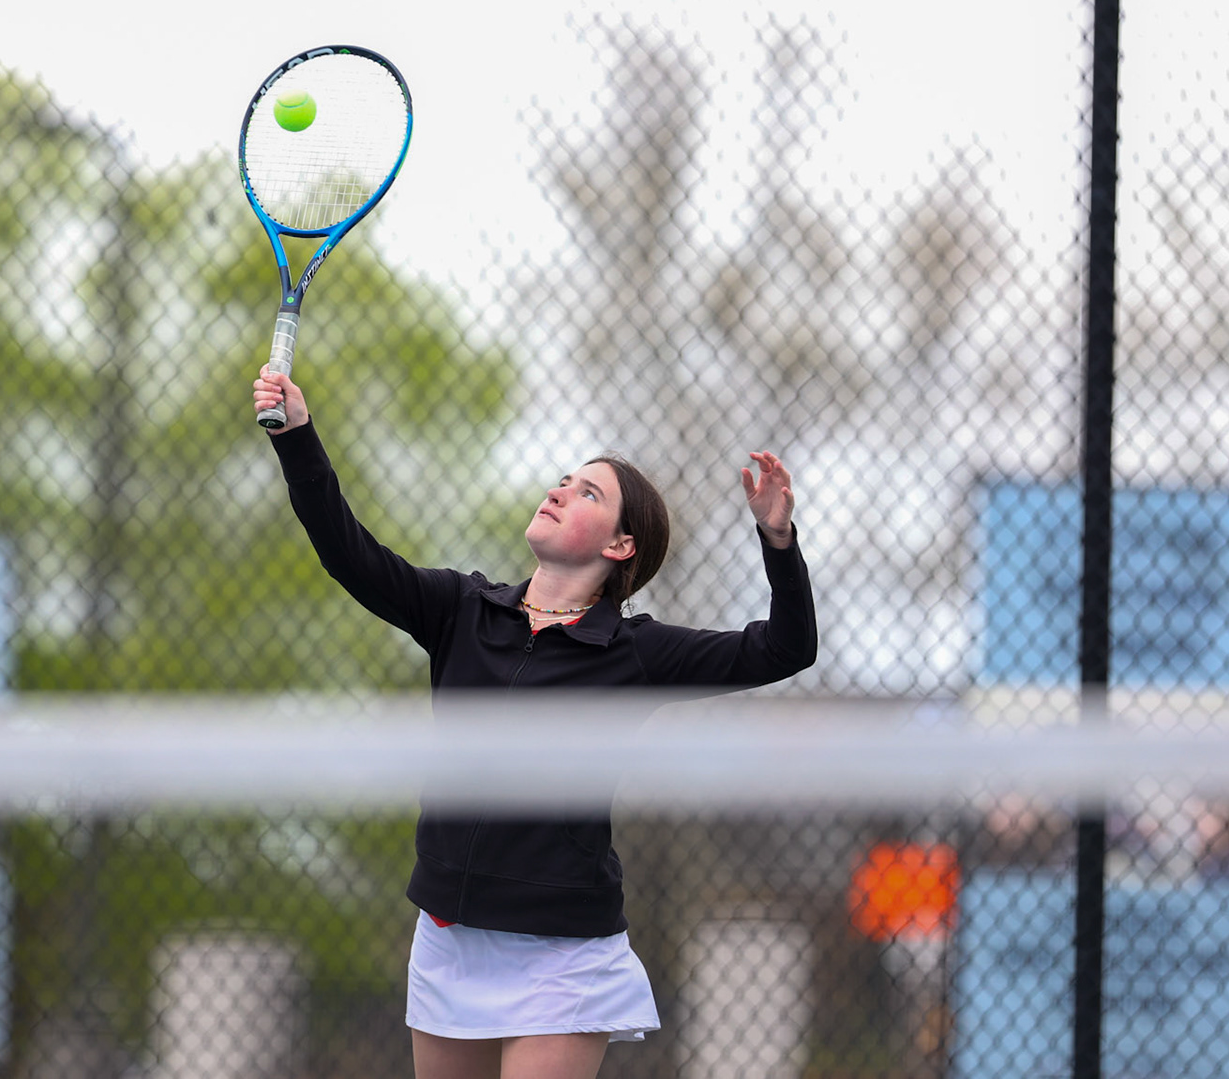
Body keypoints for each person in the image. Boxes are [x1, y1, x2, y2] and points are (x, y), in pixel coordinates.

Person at [252, 367, 818, 1079]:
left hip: (563, 956)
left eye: (589, 493)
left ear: (620, 547)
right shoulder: (461, 610)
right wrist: (297, 436)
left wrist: (778, 538)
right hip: (450, 939)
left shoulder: (634, 651)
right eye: (564, 479)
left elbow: (785, 649)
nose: (559, 490)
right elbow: (348, 553)